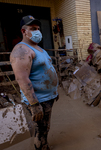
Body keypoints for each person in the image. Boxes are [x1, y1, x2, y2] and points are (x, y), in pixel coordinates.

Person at [10, 15, 59, 150]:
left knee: (45, 128)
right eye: (33, 28)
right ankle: (41, 147)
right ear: (23, 31)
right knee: (40, 130)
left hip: (48, 97)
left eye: (38, 28)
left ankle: (44, 145)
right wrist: (34, 104)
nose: (37, 31)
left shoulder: (38, 48)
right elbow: (22, 79)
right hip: (38, 100)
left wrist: (54, 91)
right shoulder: (21, 50)